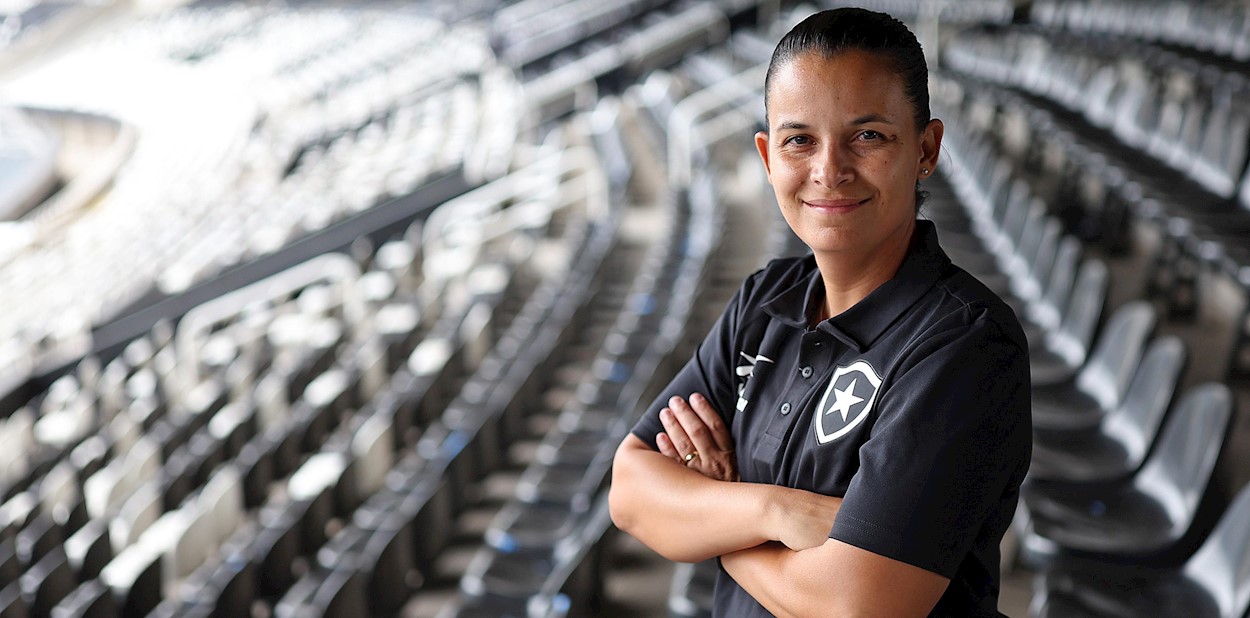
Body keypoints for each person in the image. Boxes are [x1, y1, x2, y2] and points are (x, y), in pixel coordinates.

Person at [608, 7, 1031, 617]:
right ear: (767, 156)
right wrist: (771, 511)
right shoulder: (763, 300)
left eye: (869, 135)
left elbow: (854, 607)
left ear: (926, 148)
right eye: (799, 140)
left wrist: (715, 520)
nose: (828, 171)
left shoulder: (965, 345)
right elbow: (631, 491)